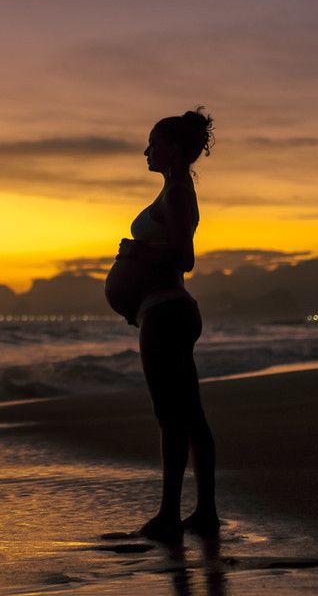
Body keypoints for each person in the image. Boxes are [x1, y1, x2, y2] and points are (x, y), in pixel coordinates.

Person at [104, 108, 219, 541]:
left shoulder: (179, 191)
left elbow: (183, 258)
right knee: (189, 415)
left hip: (166, 309)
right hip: (164, 310)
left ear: (171, 148)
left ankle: (170, 515)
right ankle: (204, 513)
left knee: (170, 415)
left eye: (152, 143)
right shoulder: (175, 189)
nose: (145, 151)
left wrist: (135, 253)